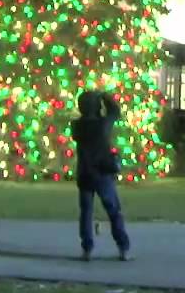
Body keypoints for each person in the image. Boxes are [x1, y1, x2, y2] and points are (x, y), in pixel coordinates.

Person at [72, 91, 130, 262]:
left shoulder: (77, 126)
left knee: (86, 213)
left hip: (85, 174)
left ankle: (87, 249)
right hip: (102, 174)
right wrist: (104, 95)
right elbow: (114, 111)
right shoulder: (102, 125)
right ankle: (123, 247)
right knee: (114, 211)